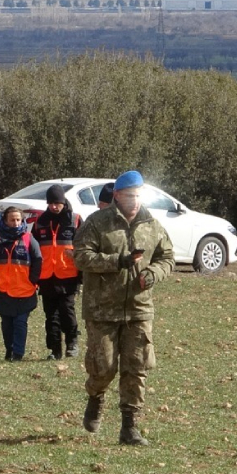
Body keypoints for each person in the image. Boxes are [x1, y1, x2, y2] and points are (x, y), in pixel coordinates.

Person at [72, 170, 174, 445]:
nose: (134, 201)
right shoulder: (98, 223)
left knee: (135, 367)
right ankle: (95, 396)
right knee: (103, 367)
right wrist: (118, 261)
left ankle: (130, 427)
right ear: (117, 196)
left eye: (138, 196)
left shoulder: (151, 223)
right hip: (102, 308)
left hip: (139, 308)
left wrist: (153, 273)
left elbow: (167, 257)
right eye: (129, 196)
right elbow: (81, 257)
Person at [0, 206, 42, 362]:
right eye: (12, 220)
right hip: (4, 290)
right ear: (5, 221)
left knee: (20, 322)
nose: (16, 223)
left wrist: (33, 279)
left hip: (25, 290)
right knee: (7, 324)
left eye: (18, 219)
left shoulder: (29, 239)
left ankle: (18, 354)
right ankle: (9, 350)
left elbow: (38, 259)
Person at [34, 184, 83, 360]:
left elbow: (84, 247)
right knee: (51, 315)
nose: (54, 206)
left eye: (57, 203)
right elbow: (34, 247)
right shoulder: (40, 221)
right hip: (46, 276)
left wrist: (81, 273)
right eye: (51, 203)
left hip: (68, 274)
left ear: (63, 202)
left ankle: (72, 343)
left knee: (67, 311)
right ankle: (54, 350)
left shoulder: (75, 220)